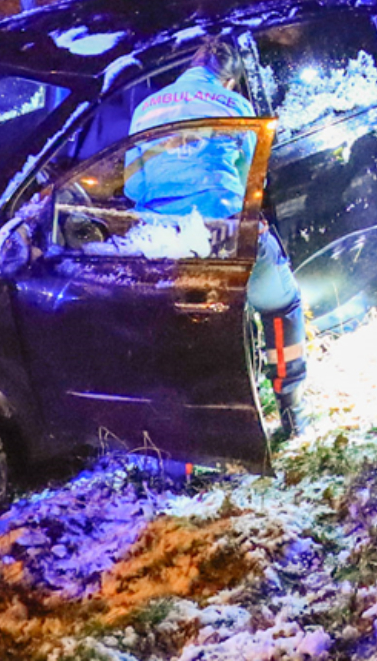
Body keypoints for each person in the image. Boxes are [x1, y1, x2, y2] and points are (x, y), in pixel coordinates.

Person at [127, 39, 308, 439]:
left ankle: (186, 455)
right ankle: (291, 410)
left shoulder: (146, 108)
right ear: (229, 80)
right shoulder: (234, 106)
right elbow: (249, 181)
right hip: (222, 234)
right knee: (282, 303)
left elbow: (134, 185)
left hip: (164, 242)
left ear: (190, 65)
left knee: (178, 338)